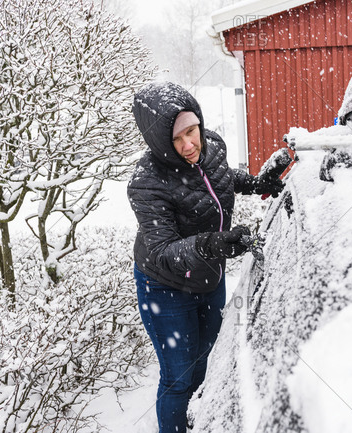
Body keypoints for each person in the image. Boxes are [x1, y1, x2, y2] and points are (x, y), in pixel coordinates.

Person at [127, 81, 284, 433]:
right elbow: (163, 251)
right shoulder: (146, 182)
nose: (189, 145)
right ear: (159, 144)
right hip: (165, 289)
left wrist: (255, 183)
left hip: (208, 278)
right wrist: (211, 245)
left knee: (206, 362)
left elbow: (217, 179)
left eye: (191, 132)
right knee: (179, 376)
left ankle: (201, 422)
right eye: (176, 140)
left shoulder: (211, 147)